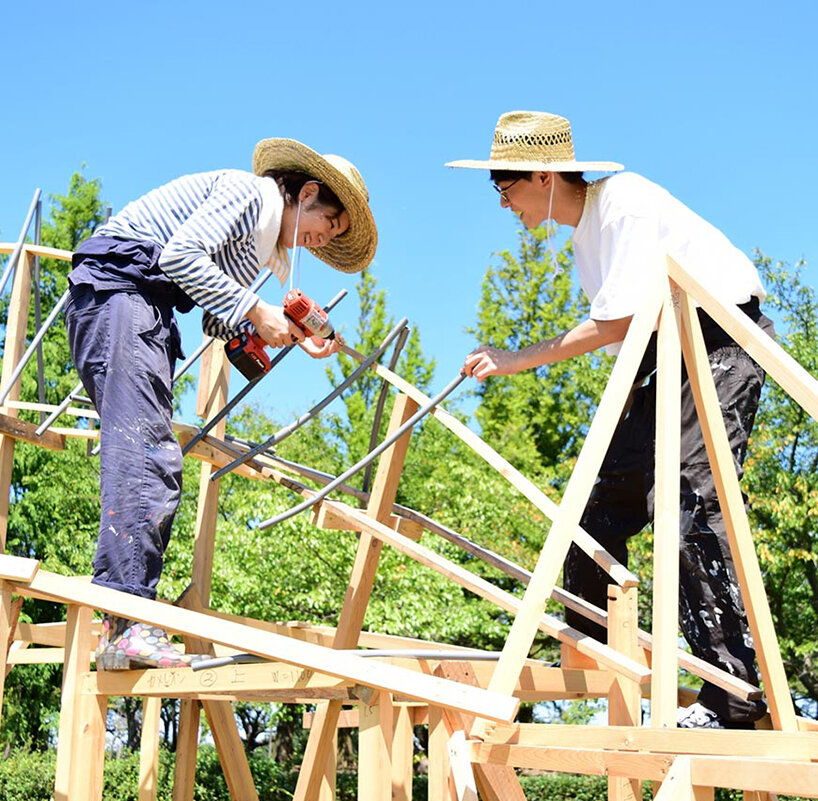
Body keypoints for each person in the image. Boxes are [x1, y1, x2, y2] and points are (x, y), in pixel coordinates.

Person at [449, 111, 772, 729]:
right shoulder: (585, 240)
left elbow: (616, 325)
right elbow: (626, 336)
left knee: (688, 504)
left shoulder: (621, 203)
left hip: (721, 343)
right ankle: (592, 657)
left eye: (504, 187)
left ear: (542, 176)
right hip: (664, 359)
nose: (502, 203)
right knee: (597, 507)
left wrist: (517, 359)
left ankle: (732, 695)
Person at [66, 139, 377, 670]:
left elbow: (214, 315)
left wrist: (281, 330)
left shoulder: (257, 245)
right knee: (146, 457)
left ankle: (125, 620)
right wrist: (257, 310)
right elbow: (178, 255)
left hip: (135, 304)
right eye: (328, 225)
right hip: (121, 294)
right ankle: (124, 622)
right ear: (306, 193)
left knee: (149, 457)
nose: (321, 240)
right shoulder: (250, 195)